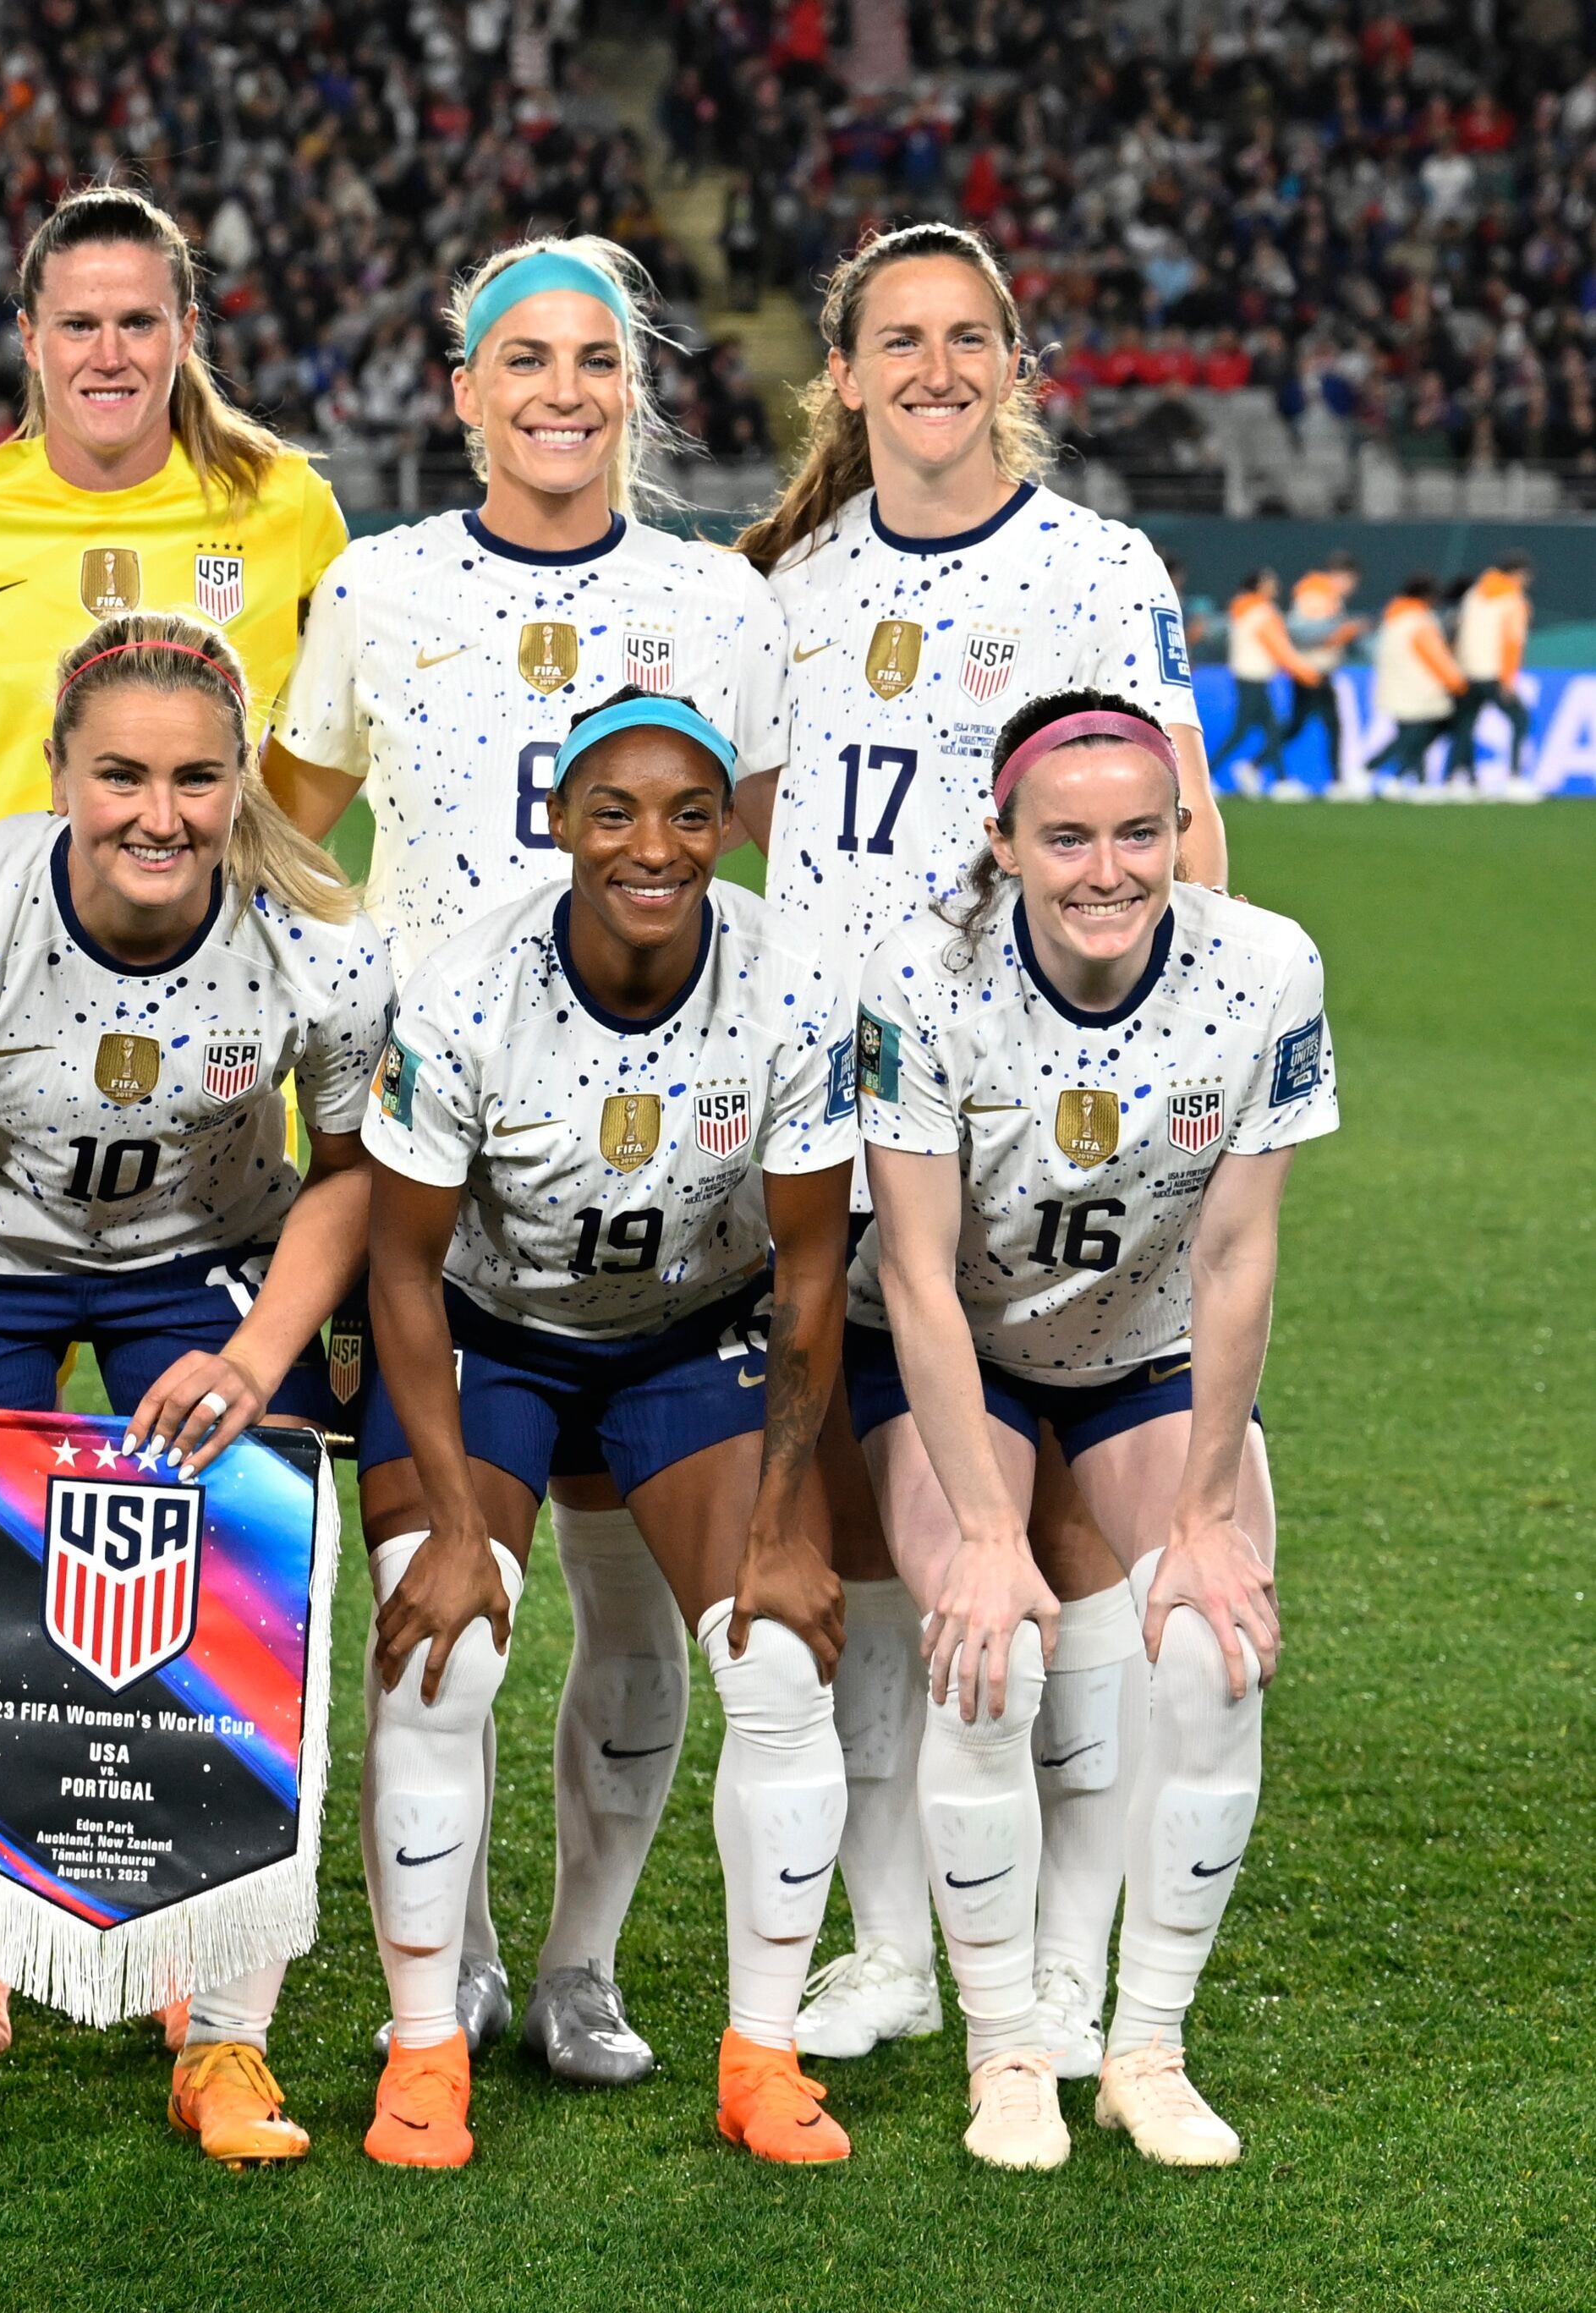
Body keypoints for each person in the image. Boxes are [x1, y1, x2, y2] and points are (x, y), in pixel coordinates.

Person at [0, 611, 386, 2171]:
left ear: (242, 783)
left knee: (249, 1593)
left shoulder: (324, 938)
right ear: (56, 776)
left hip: (203, 1264)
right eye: (119, 776)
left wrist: (251, 1359)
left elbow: (356, 1171)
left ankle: (222, 2044)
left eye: (194, 779)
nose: (157, 814)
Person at [266, 234, 792, 2082]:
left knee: (637, 1610)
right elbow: (283, 829)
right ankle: (460, 1952)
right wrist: (363, 999)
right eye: (523, 360)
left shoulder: (717, 602)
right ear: (462, 387)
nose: (560, 389)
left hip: (657, 1190)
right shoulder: (378, 584)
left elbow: (760, 866)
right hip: (441, 1178)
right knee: (443, 1607)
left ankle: (578, 1961)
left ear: (630, 386)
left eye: (593, 359)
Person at [736, 221, 1219, 2075]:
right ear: (842, 375)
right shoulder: (779, 580)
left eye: (966, 337)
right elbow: (752, 837)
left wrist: (1177, 1096)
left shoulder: (1100, 566)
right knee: (881, 1545)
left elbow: (1182, 829)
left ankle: (1066, 1957)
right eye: (895, 340)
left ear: (1010, 360)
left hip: (1040, 1118)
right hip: (834, 1121)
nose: (932, 367)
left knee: (1071, 1543)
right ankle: (888, 1950)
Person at [359, 690, 858, 2166]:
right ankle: (426, 2042)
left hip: (685, 1337)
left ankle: (702, 2032)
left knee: (772, 1658)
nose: (655, 845)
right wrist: (454, 1527)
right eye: (618, 813)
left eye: (691, 815)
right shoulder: (460, 990)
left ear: (724, 828)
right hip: (483, 1330)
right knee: (438, 1649)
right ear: (563, 821)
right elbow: (396, 1263)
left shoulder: (795, 983)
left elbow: (817, 1265)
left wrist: (777, 1526)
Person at [847, 688, 1328, 2168]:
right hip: (958, 1352)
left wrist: (1197, 1519)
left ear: (1184, 833)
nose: (1106, 867)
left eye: (1140, 832)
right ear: (1004, 841)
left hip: (1143, 1352)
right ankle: (1005, 2053)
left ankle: (1144, 2051)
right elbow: (916, 1273)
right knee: (985, 1651)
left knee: (1216, 1645)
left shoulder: (1265, 969)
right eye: (1066, 838)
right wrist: (986, 1535)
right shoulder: (919, 974)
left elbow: (1239, 1259)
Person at [0, 184, 350, 870]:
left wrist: (258, 864)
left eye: (139, 323)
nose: (109, 354)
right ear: (30, 339)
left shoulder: (284, 503)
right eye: (78, 325)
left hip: (206, 959)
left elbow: (348, 720)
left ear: (184, 333)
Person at [1206, 570, 1322, 797]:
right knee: (1243, 732)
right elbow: (1279, 648)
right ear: (1259, 585)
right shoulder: (1262, 613)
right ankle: (1206, 775)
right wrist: (1306, 673)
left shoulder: (1241, 609)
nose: (1276, 586)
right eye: (1271, 582)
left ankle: (1280, 780)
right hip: (1254, 678)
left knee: (1271, 730)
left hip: (1246, 676)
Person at [1364, 575, 1465, 797]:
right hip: (1418, 691)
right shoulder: (1419, 621)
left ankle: (1414, 782)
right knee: (1417, 735)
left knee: (1411, 737)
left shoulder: (1393, 618)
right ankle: (1368, 769)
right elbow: (1436, 657)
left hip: (1395, 688)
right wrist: (1457, 683)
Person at [1279, 554, 1363, 797]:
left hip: (1314, 671)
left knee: (1298, 726)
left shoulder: (1325, 595)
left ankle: (1256, 764)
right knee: (1332, 725)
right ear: (1342, 575)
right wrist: (1340, 632)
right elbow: (1301, 632)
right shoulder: (1316, 594)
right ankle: (1337, 781)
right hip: (1312, 672)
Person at [1451, 554, 1533, 792]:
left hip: (1467, 671)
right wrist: (1508, 680)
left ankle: (1460, 779)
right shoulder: (1513, 599)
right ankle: (1515, 778)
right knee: (1520, 720)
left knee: (1466, 725)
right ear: (1517, 574)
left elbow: (1459, 630)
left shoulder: (1473, 594)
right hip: (1494, 672)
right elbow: (1512, 643)